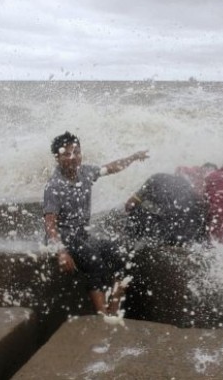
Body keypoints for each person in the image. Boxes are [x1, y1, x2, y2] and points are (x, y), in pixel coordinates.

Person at [43, 131, 148, 316]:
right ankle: (102, 316)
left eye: (76, 152)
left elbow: (111, 167)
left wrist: (133, 157)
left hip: (82, 236)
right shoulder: (54, 186)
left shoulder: (86, 172)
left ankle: (113, 310)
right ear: (57, 158)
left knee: (121, 252)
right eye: (67, 154)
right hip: (63, 235)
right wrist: (61, 252)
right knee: (94, 260)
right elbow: (50, 223)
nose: (73, 157)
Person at [124, 173, 208, 246]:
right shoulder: (191, 195)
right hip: (176, 237)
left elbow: (130, 204)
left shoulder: (157, 178)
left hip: (148, 229)